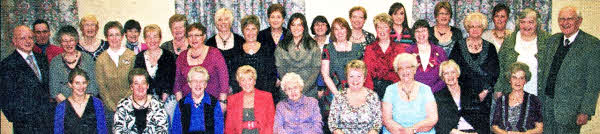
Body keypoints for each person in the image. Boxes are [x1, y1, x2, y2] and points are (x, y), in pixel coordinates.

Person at [539, 6, 600, 133]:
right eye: (561, 19)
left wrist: (585, 111)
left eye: (569, 19)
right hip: (548, 105)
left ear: (579, 21)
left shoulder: (592, 45)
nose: (565, 23)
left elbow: (593, 82)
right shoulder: (553, 40)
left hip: (571, 110)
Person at [0, 25, 54, 133]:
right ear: (14, 41)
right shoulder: (7, 64)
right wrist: (20, 119)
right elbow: (5, 99)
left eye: (30, 37)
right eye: (23, 38)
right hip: (25, 125)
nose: (28, 41)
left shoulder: (42, 58)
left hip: (47, 122)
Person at [448, 12, 498, 123]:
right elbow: (451, 69)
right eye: (472, 26)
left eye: (478, 26)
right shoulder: (459, 45)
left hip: (484, 96)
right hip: (462, 95)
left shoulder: (490, 47)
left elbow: (495, 72)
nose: (475, 29)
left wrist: (485, 91)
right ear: (467, 28)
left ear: (483, 28)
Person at [494, 8, 551, 97]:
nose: (526, 26)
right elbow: (499, 66)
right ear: (518, 23)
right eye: (522, 22)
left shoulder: (547, 39)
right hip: (512, 93)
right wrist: (498, 89)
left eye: (530, 22)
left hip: (538, 92)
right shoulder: (509, 40)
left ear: (537, 23)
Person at [173, 23, 229, 109]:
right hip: (188, 104)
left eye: (197, 35)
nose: (194, 39)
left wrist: (222, 102)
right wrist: (181, 105)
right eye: (190, 36)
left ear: (204, 36)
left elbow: (224, 79)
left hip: (212, 104)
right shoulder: (182, 56)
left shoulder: (215, 53)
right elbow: (177, 83)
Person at [95, 21, 137, 131]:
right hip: (109, 109)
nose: (114, 38)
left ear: (123, 36)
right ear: (106, 37)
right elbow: (101, 86)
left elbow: (134, 81)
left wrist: (125, 104)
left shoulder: (131, 56)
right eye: (111, 35)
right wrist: (113, 107)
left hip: (130, 105)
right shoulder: (101, 59)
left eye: (117, 34)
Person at [382, 53, 438, 134]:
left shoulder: (426, 89)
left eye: (408, 67)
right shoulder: (390, 90)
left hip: (421, 131)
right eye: (400, 68)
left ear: (414, 69)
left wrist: (413, 129)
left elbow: (432, 119)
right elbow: (387, 120)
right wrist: (403, 132)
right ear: (397, 71)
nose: (404, 71)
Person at [275, 13, 321, 99]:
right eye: (293, 25)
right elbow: (280, 68)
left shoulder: (313, 45)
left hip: (308, 90)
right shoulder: (282, 46)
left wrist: (301, 89)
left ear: (304, 27)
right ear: (289, 27)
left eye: (299, 25)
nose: (296, 28)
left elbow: (316, 69)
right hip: (287, 90)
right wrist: (291, 89)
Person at [231, 15, 278, 100]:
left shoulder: (267, 49)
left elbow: (272, 75)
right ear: (243, 31)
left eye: (253, 29)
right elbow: (234, 77)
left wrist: (263, 96)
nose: (250, 33)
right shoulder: (236, 51)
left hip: (264, 96)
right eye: (247, 29)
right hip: (243, 97)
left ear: (258, 30)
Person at [328, 60, 381, 134]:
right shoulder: (339, 96)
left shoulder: (373, 96)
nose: (355, 80)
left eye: (359, 76)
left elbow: (377, 123)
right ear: (347, 78)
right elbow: (332, 123)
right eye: (351, 76)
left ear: (364, 78)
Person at [434, 60, 487, 134]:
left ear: (458, 74)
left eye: (453, 72)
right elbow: (440, 124)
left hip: (473, 131)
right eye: (446, 73)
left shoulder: (470, 92)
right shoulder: (438, 96)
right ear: (442, 77)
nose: (450, 76)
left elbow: (481, 117)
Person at [364, 13, 408, 99]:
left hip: (395, 91)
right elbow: (367, 73)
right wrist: (370, 95)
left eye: (385, 27)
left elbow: (403, 72)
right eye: (379, 27)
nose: (382, 30)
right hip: (374, 91)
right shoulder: (370, 48)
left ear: (390, 29)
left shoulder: (399, 48)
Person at [50, 25, 99, 102]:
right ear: (60, 43)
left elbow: (93, 87)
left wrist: (83, 105)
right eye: (65, 41)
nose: (68, 44)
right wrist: (70, 106)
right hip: (65, 106)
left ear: (76, 41)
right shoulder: (55, 62)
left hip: (87, 104)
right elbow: (54, 91)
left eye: (71, 40)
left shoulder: (87, 59)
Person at [492, 62, 543, 134]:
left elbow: (540, 128)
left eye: (521, 78)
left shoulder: (533, 100)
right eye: (514, 77)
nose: (517, 81)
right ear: (510, 80)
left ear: (525, 80)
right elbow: (494, 126)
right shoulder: (501, 100)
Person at [170, 66, 224, 134]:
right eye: (195, 81)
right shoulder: (181, 104)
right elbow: (176, 130)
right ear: (189, 84)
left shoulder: (214, 103)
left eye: (201, 81)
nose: (198, 84)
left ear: (205, 84)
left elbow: (219, 130)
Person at [113, 68, 169, 133]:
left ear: (147, 86)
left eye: (143, 83)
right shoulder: (122, 105)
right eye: (136, 83)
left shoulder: (158, 104)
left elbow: (162, 130)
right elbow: (118, 130)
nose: (140, 87)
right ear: (131, 87)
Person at [53, 68, 108, 134]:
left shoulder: (97, 103)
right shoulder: (61, 107)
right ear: (70, 85)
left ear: (87, 83)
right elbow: (58, 132)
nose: (81, 87)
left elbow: (102, 130)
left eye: (84, 83)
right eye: (77, 83)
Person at [225, 65, 275, 134]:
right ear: (239, 83)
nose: (247, 83)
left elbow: (271, 124)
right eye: (243, 80)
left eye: (250, 79)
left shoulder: (267, 97)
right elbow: (229, 128)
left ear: (254, 81)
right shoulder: (232, 99)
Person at [321, 17, 364, 95]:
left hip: (354, 92)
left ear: (347, 30)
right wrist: (337, 95)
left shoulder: (358, 48)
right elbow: (325, 74)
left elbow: (362, 73)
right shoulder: (327, 48)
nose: (339, 32)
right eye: (336, 29)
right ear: (333, 32)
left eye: (342, 28)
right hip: (333, 93)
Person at [134, 24, 176, 102]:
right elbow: (137, 80)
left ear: (160, 38)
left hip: (167, 98)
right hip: (145, 98)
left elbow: (171, 79)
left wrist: (164, 96)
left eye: (155, 36)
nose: (152, 40)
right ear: (145, 39)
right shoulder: (139, 57)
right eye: (148, 37)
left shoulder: (168, 56)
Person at [206, 8, 245, 90]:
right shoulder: (209, 43)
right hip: (216, 87)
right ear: (216, 23)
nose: (223, 22)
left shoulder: (240, 41)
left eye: (226, 19)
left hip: (238, 87)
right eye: (220, 20)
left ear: (230, 22)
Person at [407, 19, 447, 93]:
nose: (420, 34)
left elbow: (446, 75)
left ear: (429, 32)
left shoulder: (440, 51)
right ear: (413, 34)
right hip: (413, 93)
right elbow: (404, 74)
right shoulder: (408, 52)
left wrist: (431, 91)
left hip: (436, 93)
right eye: (417, 31)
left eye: (423, 31)